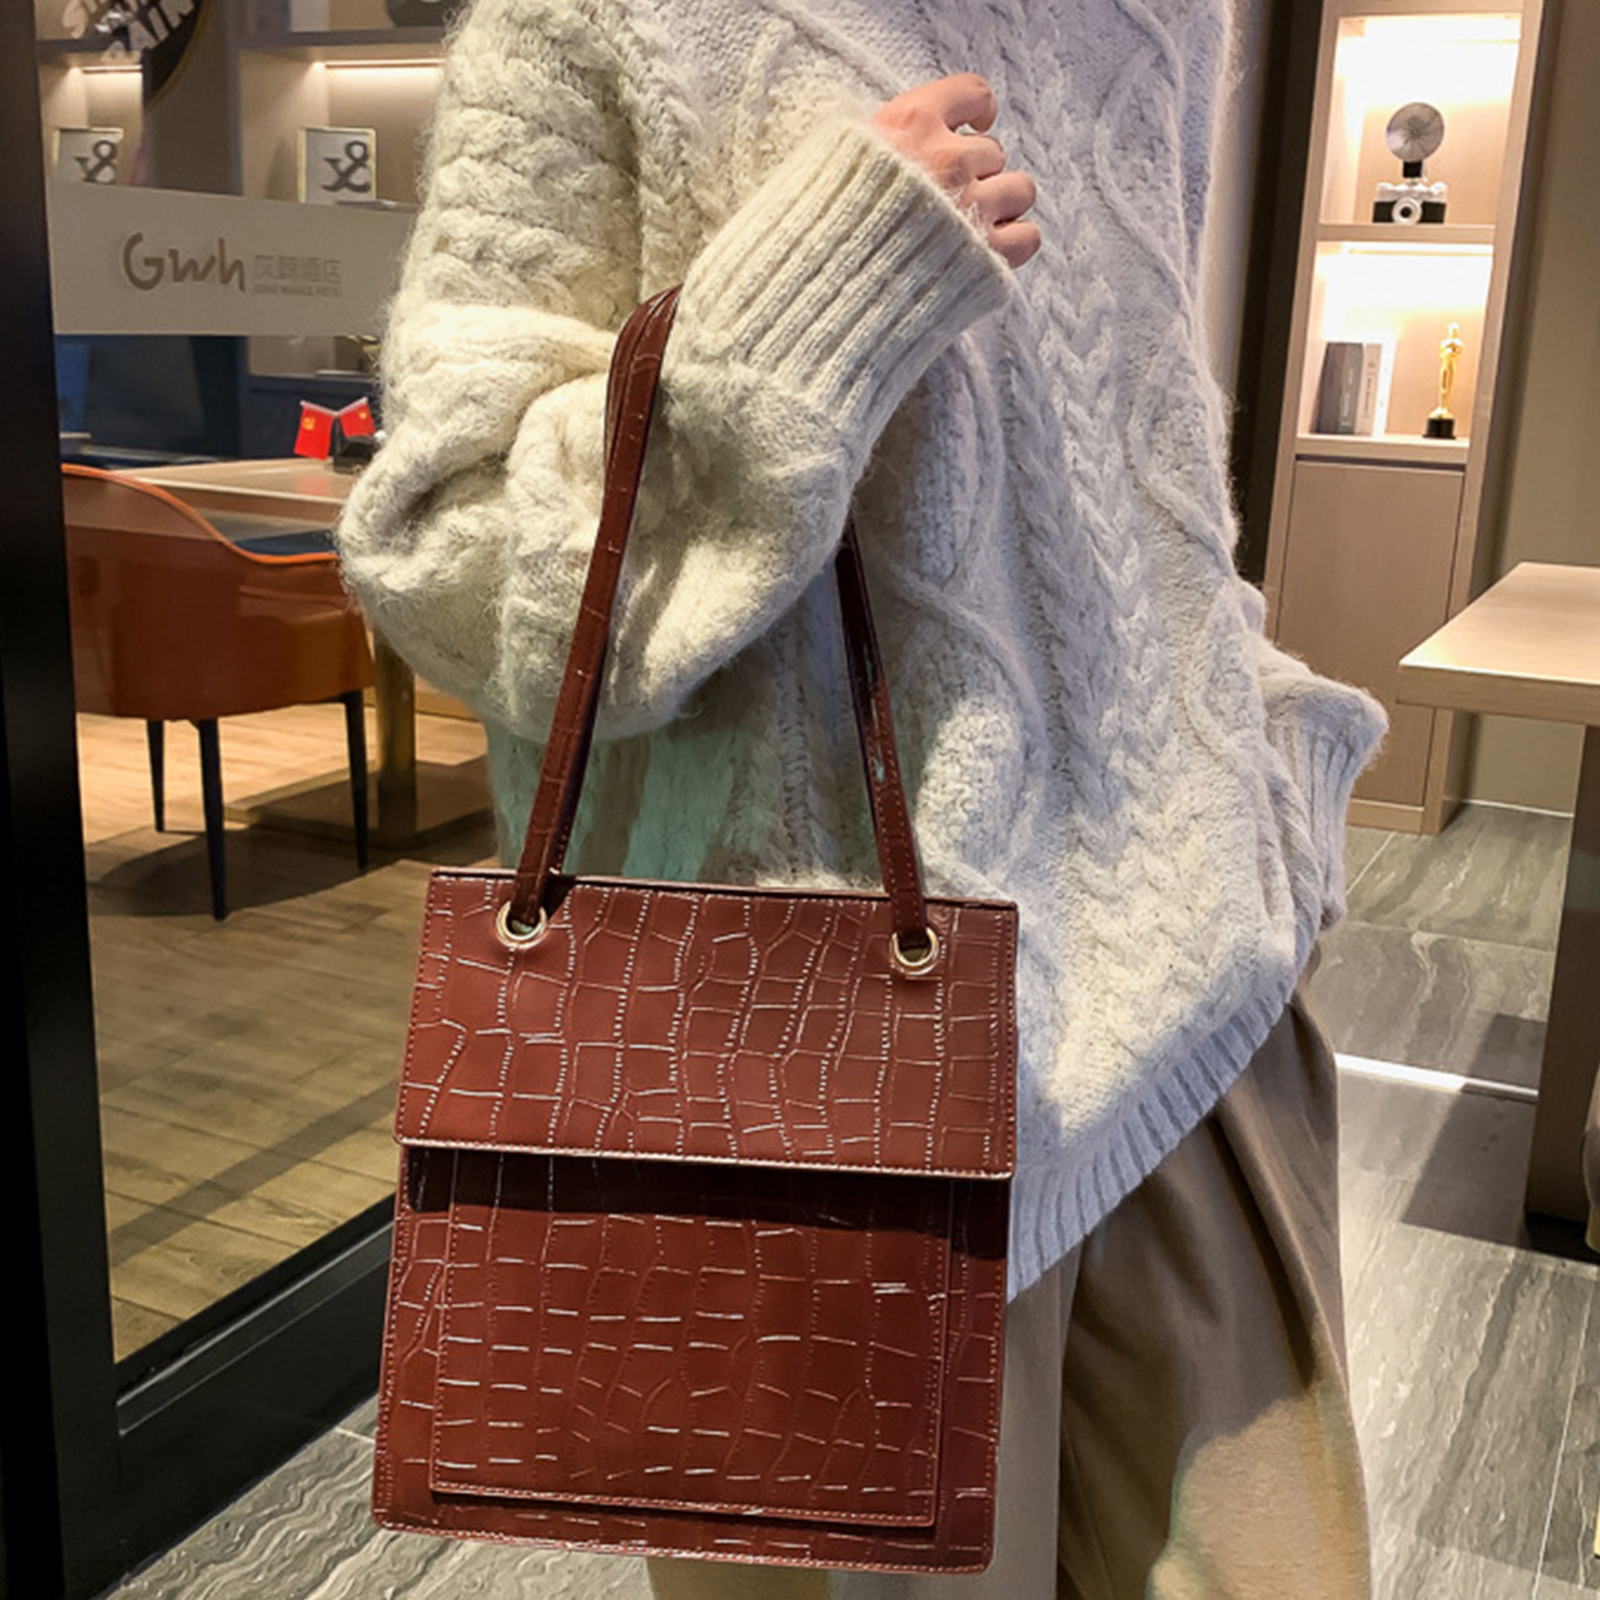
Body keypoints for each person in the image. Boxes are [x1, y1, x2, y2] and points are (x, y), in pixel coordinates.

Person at [336, 0, 1387, 1593]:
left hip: (1202, 1021)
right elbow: (450, 562)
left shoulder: (1159, 16)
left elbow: (1139, 464)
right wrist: (804, 303)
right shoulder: (591, 20)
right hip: (810, 1114)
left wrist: (1268, 762)